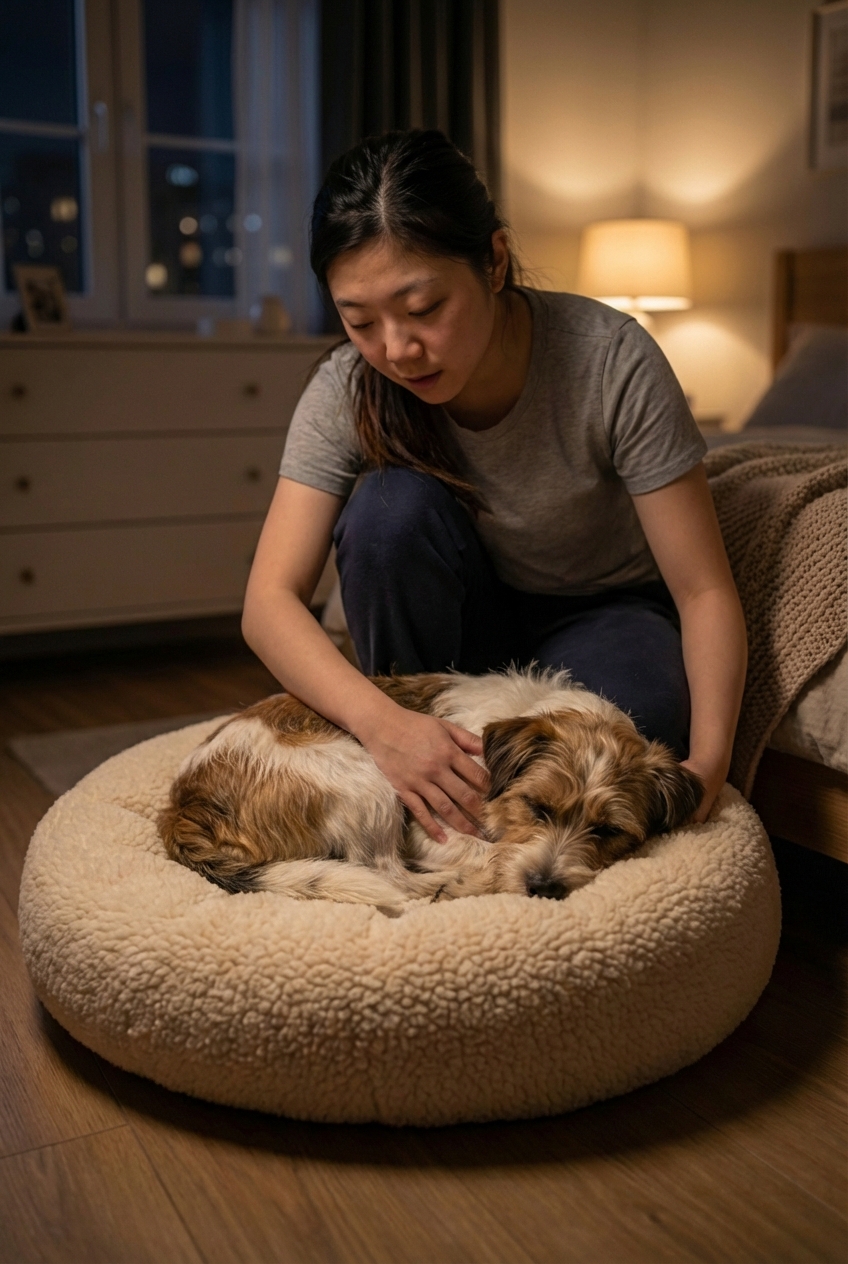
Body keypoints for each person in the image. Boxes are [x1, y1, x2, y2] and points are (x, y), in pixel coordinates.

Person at [242, 129, 747, 846]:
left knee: (640, 736)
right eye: (360, 321)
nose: (395, 349)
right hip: (449, 635)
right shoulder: (349, 388)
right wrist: (385, 726)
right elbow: (267, 603)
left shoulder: (612, 361)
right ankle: (423, 775)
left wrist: (711, 763)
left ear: (496, 261)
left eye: (423, 309)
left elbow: (702, 589)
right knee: (388, 514)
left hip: (600, 614)